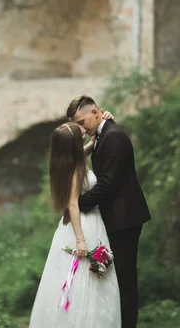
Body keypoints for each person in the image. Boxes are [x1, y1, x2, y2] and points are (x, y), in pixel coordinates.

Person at [66, 95, 151, 328]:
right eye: (77, 125)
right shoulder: (103, 135)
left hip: (124, 219)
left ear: (96, 112)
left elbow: (109, 184)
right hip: (115, 217)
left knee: (125, 281)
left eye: (82, 122)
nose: (81, 128)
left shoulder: (114, 137)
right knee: (116, 280)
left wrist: (77, 204)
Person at [29, 113, 120, 327]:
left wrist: (93, 141)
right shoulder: (75, 170)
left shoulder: (65, 163)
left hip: (73, 225)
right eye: (79, 132)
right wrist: (80, 240)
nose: (83, 129)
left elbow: (82, 154)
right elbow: (72, 203)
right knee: (85, 280)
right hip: (84, 225)